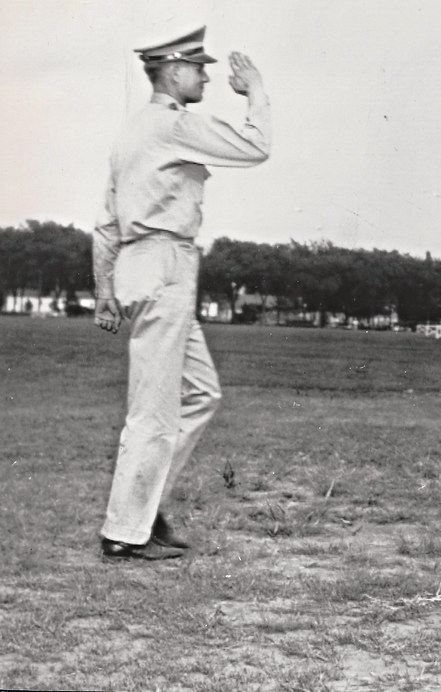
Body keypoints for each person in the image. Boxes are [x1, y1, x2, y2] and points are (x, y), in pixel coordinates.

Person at [93, 26, 271, 560]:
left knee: (201, 394)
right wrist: (257, 92)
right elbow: (255, 148)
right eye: (198, 68)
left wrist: (105, 289)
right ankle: (125, 534)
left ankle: (143, 510)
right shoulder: (172, 126)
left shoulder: (133, 131)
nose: (207, 76)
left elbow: (105, 223)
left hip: (148, 264)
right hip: (163, 263)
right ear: (172, 70)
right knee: (153, 411)